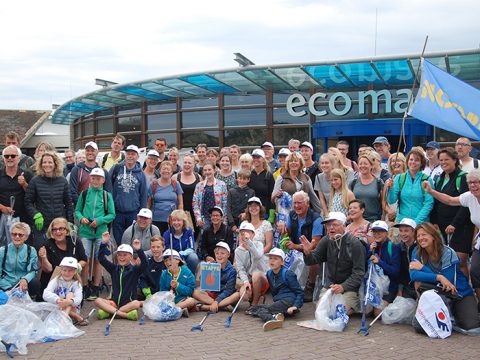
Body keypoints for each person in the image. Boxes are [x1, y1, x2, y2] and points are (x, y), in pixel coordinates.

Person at [422, 168, 480, 304]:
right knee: (476, 271)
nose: (473, 185)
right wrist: (431, 191)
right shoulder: (469, 197)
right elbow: (449, 200)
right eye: (470, 183)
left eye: (477, 182)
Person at [409, 222, 479, 330]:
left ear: (433, 236)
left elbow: (448, 281)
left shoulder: (447, 252)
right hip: (436, 292)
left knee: (471, 326)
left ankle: (456, 312)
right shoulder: (417, 251)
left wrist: (423, 268)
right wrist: (439, 277)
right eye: (418, 236)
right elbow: (414, 275)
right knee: (422, 326)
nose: (420, 238)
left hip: (458, 293)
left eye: (424, 234)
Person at [301, 212, 366, 315]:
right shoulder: (326, 240)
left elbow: (359, 273)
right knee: (322, 311)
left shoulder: (355, 244)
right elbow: (312, 260)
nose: (331, 228)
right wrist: (307, 253)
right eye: (328, 225)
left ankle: (354, 305)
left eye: (335, 225)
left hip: (350, 288)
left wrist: (343, 286)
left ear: (344, 226)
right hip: (330, 285)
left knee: (339, 312)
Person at [429, 147, 474, 277]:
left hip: (461, 227)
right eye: (441, 160)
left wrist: (454, 224)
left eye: (446, 159)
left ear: (455, 160)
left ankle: (464, 291)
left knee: (460, 262)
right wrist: (434, 222)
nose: (443, 162)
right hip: (442, 227)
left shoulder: (463, 178)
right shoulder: (439, 178)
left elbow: (465, 205)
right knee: (445, 262)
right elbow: (436, 202)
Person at [75, 167, 115, 300]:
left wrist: (99, 221)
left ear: (103, 180)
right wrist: (81, 219)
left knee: (99, 259)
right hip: (86, 231)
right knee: (85, 260)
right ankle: (85, 286)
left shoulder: (106, 195)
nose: (95, 181)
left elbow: (111, 215)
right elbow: (77, 211)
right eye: (93, 178)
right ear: (90, 179)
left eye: (98, 178)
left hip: (100, 232)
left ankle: (96, 286)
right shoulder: (84, 193)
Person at [279, 191, 323, 302]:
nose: (297, 206)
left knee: (313, 258)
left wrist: (295, 246)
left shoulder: (316, 219)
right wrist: (282, 228)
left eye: (300, 203)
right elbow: (287, 234)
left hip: (310, 250)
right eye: (295, 203)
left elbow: (314, 244)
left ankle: (310, 286)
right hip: (295, 249)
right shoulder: (292, 215)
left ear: (307, 203)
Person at [246, 248, 303, 331]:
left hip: (288, 301)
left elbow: (299, 292)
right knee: (253, 308)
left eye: (275, 259)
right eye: (270, 258)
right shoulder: (269, 273)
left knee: (262, 310)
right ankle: (279, 314)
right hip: (279, 301)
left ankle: (273, 320)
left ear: (282, 262)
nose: (272, 261)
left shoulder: (288, 274)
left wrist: (295, 306)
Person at [25, 151, 73, 248]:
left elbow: (68, 203)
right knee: (42, 253)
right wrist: (36, 214)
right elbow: (28, 202)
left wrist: (70, 222)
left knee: (59, 254)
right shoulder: (35, 180)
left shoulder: (63, 181)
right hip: (41, 225)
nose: (47, 164)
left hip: (59, 226)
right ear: (40, 164)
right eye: (44, 162)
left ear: (55, 164)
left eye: (50, 162)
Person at [95, 233, 147, 321]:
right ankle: (124, 315)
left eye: (125, 255)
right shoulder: (114, 269)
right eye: (119, 255)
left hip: (129, 304)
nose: (121, 257)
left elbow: (145, 264)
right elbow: (101, 259)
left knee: (136, 303)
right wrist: (103, 244)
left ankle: (110, 312)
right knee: (97, 300)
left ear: (131, 257)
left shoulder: (134, 270)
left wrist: (139, 250)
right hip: (114, 303)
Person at [37, 218, 87, 299]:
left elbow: (84, 260)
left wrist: (74, 267)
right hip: (52, 281)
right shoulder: (47, 244)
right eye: (55, 229)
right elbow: (48, 269)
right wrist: (44, 258)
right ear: (51, 231)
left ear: (67, 230)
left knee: (71, 301)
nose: (58, 232)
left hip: (71, 279)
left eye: (61, 229)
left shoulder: (74, 241)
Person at [109, 144, 147, 246]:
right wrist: (110, 208)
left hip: (133, 213)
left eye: (133, 154)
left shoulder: (141, 174)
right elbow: (108, 188)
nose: (130, 156)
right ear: (125, 155)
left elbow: (143, 195)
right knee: (118, 241)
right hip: (117, 212)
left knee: (131, 241)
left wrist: (142, 214)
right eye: (128, 154)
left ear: (137, 157)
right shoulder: (116, 169)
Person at [386, 147, 434, 224]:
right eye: (411, 159)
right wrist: (391, 188)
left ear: (422, 163)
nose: (413, 162)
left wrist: (416, 222)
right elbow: (391, 201)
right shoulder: (399, 178)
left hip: (421, 223)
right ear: (407, 161)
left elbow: (429, 204)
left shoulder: (427, 180)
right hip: (402, 222)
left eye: (417, 160)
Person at [193, 241, 238, 312]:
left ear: (228, 255)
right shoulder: (212, 265)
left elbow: (229, 290)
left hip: (225, 296)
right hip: (212, 294)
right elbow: (204, 282)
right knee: (195, 292)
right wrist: (207, 270)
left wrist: (217, 301)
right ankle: (221, 306)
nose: (219, 255)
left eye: (222, 253)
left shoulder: (232, 270)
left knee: (237, 295)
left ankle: (206, 307)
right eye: (217, 253)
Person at [367, 221, 401, 313]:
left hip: (389, 288)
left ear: (386, 233)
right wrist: (370, 251)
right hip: (373, 287)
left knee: (377, 312)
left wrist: (380, 262)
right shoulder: (371, 247)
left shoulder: (393, 248)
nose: (377, 234)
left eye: (380, 232)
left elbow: (395, 272)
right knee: (366, 310)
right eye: (374, 232)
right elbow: (364, 267)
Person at [43, 257, 87, 325]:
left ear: (75, 271)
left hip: (72, 308)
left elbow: (78, 299)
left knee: (70, 294)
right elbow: (45, 293)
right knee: (59, 303)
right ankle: (76, 317)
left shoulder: (76, 283)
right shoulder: (56, 280)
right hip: (58, 306)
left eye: (70, 271)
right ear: (61, 270)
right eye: (64, 270)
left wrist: (69, 301)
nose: (67, 273)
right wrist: (57, 299)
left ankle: (64, 319)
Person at [0, 222, 39, 298]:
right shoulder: (2, 250)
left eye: (20, 235)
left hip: (22, 283)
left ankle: (32, 299)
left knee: (35, 282)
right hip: (5, 283)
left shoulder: (31, 250)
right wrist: (8, 287)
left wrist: (25, 279)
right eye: (14, 234)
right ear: (11, 235)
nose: (17, 237)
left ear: (26, 237)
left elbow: (33, 270)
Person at [235, 222, 269, 305]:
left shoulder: (259, 244)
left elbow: (257, 256)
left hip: (262, 278)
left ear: (253, 234)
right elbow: (240, 269)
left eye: (247, 233)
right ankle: (255, 297)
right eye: (242, 234)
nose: (244, 236)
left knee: (255, 275)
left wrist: (249, 242)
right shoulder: (238, 251)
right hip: (249, 279)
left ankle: (255, 303)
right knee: (245, 296)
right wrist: (246, 282)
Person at [0, 145, 33, 227]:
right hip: (2, 219)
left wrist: (24, 184)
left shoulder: (27, 174)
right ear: (3, 158)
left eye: (13, 156)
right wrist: (2, 207)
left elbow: (33, 196)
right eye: (6, 156)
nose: (9, 158)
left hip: (23, 219)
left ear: (19, 158)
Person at [70, 142, 111, 206]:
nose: (90, 152)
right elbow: (72, 192)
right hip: (81, 210)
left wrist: (100, 207)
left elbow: (108, 193)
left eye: (92, 150)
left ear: (97, 152)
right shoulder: (76, 170)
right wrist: (84, 206)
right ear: (85, 152)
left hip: (98, 210)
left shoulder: (103, 172)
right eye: (88, 150)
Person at [148, 160, 184, 234]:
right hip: (156, 219)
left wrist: (180, 216)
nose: (166, 171)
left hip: (173, 220)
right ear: (160, 171)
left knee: (170, 241)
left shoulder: (175, 184)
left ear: (171, 172)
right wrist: (148, 217)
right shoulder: (153, 184)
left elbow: (180, 203)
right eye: (164, 169)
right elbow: (148, 203)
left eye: (168, 169)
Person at [159, 249, 196, 315]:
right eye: (165, 260)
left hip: (182, 300)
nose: (167, 262)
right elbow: (162, 291)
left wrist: (178, 286)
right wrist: (168, 294)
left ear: (178, 260)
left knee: (191, 301)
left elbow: (190, 291)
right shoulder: (164, 275)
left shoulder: (187, 272)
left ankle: (173, 309)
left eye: (170, 259)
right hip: (169, 301)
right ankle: (178, 310)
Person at [172, 154, 202, 234]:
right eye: (185, 162)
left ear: (194, 164)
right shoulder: (175, 177)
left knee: (194, 236)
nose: (187, 165)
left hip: (195, 212)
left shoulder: (198, 177)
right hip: (180, 211)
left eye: (189, 163)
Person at [162, 210, 199, 274]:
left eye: (179, 220)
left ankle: (190, 276)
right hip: (173, 257)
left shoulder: (189, 231)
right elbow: (167, 250)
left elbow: (192, 248)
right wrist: (177, 257)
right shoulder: (167, 234)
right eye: (174, 220)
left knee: (193, 257)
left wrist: (182, 253)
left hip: (186, 255)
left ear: (183, 221)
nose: (176, 223)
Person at [193, 162, 227, 229]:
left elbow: (225, 203)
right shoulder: (199, 185)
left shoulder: (222, 184)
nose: (207, 172)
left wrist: (224, 219)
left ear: (214, 170)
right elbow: (195, 203)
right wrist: (198, 218)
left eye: (209, 170)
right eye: (205, 170)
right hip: (205, 217)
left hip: (218, 217)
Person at [349, 154, 384, 222]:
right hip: (356, 221)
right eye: (360, 164)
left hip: (373, 221)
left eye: (365, 164)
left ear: (371, 165)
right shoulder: (353, 182)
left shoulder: (379, 182)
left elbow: (384, 203)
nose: (363, 166)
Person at [394, 218, 417, 299]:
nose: (403, 234)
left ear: (414, 231)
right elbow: (401, 271)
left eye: (406, 230)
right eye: (401, 230)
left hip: (421, 287)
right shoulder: (399, 247)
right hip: (406, 288)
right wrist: (400, 291)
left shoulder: (421, 247)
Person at [249, 149, 275, 222]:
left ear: (263, 159)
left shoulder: (268, 175)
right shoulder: (250, 174)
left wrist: (271, 215)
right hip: (251, 211)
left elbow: (272, 196)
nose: (256, 159)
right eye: (254, 157)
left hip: (265, 212)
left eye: (258, 157)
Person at [138, 235, 165, 300]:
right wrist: (148, 294)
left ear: (163, 248)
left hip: (164, 294)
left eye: (158, 247)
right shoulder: (147, 263)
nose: (155, 249)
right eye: (153, 247)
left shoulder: (168, 263)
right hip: (150, 295)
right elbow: (143, 279)